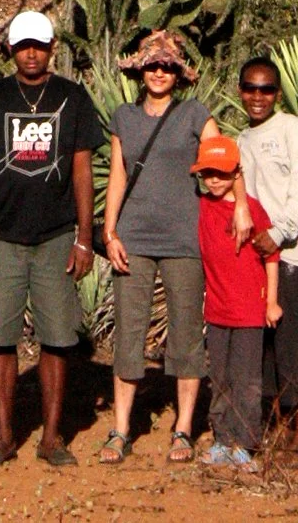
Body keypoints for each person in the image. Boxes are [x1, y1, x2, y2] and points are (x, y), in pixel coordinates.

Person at [0, 10, 102, 472]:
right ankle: (4, 436)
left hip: (56, 237)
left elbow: (83, 171)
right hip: (2, 237)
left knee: (57, 338)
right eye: (23, 44)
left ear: (52, 48)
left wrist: (85, 237)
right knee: (0, 340)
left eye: (39, 46)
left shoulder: (72, 99)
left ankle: (50, 437)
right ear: (10, 48)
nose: (30, 53)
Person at [98, 28, 223, 467]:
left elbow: (222, 165)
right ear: (140, 71)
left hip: (185, 238)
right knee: (129, 333)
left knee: (187, 333)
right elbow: (117, 175)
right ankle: (120, 429)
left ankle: (184, 428)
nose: (158, 71)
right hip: (133, 238)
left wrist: (235, 212)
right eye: (151, 65)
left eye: (167, 66)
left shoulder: (195, 115)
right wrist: (110, 232)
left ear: (178, 74)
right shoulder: (124, 118)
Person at [235, 52, 298, 457]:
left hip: (291, 253)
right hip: (257, 256)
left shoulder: (291, 130)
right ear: (240, 91)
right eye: (251, 88)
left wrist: (280, 232)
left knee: (292, 338)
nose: (258, 96)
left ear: (278, 93)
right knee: (264, 343)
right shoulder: (242, 139)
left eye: (266, 89)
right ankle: (276, 423)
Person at [193, 133, 281, 469]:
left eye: (222, 173)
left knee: (247, 380)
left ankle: (246, 443)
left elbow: (271, 256)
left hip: (248, 312)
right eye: (207, 173)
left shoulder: (252, 210)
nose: (214, 180)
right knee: (220, 378)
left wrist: (271, 302)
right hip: (216, 312)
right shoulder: (202, 207)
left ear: (236, 174)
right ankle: (221, 439)